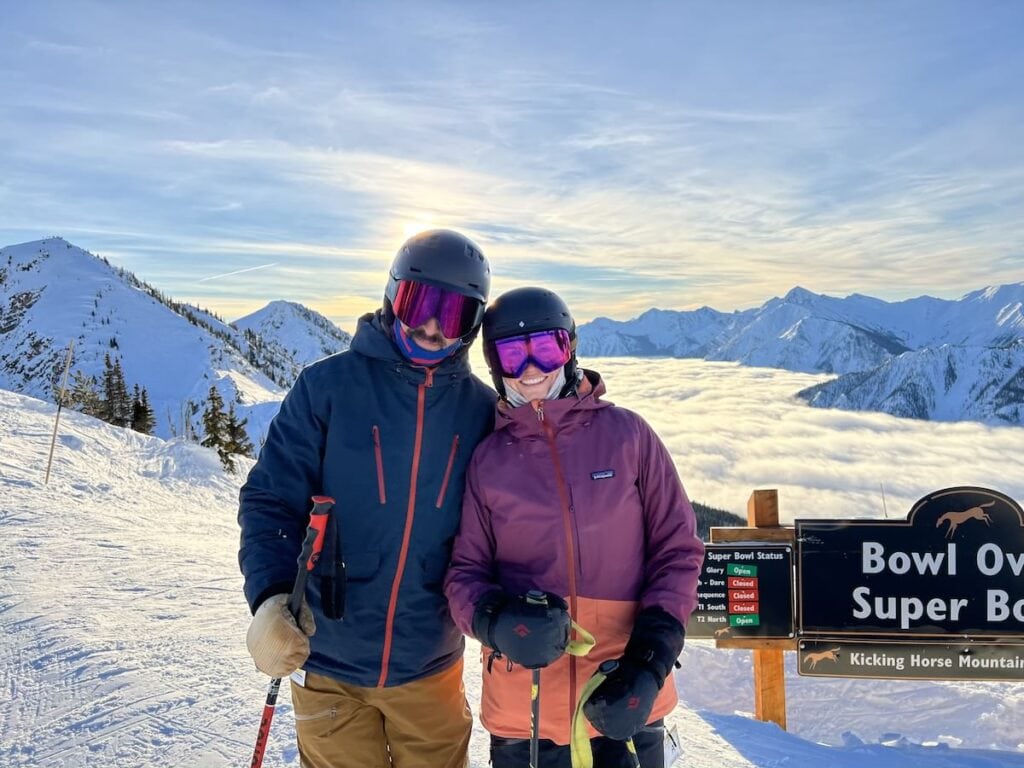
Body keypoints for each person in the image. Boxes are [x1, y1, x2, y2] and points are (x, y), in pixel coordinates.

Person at [239, 229, 496, 768]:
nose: (430, 327)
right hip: (328, 660)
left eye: (452, 315)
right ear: (391, 296)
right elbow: (270, 500)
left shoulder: (483, 411)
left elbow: (512, 524)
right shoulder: (327, 387)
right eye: (419, 303)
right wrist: (269, 596)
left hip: (431, 665)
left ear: (472, 324)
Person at [444, 286, 705, 768]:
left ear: (569, 349)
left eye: (545, 348)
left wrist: (648, 665)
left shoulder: (628, 436)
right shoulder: (488, 460)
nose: (530, 369)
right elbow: (464, 574)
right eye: (511, 353)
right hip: (525, 712)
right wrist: (497, 623)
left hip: (623, 697)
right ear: (493, 364)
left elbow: (678, 551)